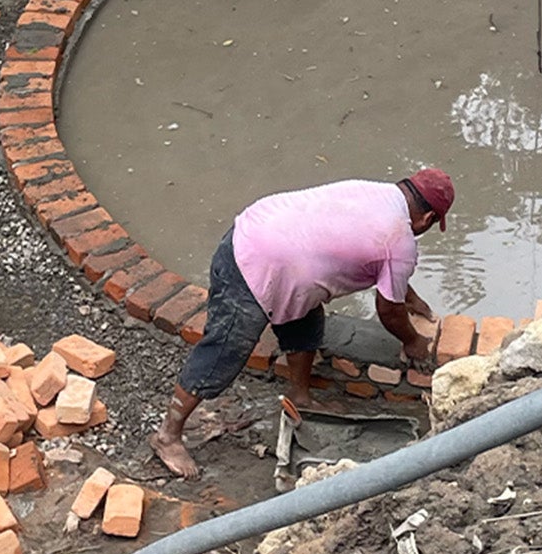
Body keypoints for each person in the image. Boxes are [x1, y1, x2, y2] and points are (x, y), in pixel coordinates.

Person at [151, 169, 454, 478]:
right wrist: (413, 342)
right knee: (225, 351)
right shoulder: (400, 240)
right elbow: (389, 312)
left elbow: (382, 260)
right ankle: (168, 436)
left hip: (255, 231)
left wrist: (407, 294)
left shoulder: (373, 192)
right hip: (253, 264)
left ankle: (300, 397)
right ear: (427, 218)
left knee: (307, 323)